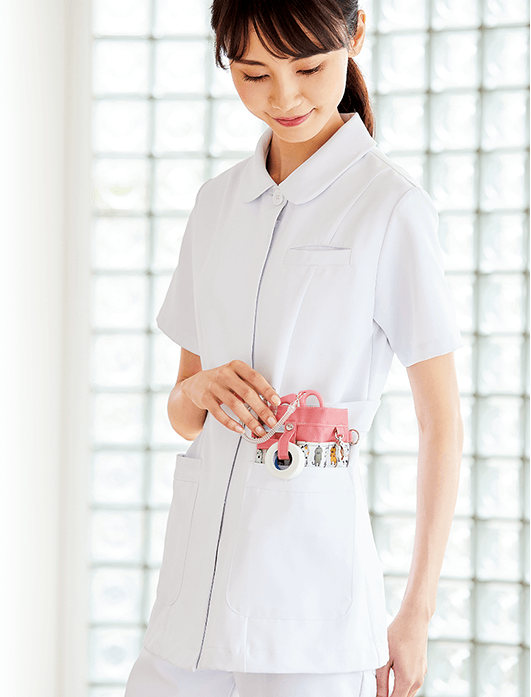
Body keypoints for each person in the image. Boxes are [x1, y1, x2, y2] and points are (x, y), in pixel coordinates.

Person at [125, 1, 464, 695]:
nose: (283, 98)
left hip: (312, 615)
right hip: (189, 610)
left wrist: (416, 612)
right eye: (253, 74)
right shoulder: (216, 204)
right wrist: (196, 390)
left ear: (354, 35)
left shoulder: (389, 207)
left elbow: (441, 423)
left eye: (308, 68)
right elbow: (184, 415)